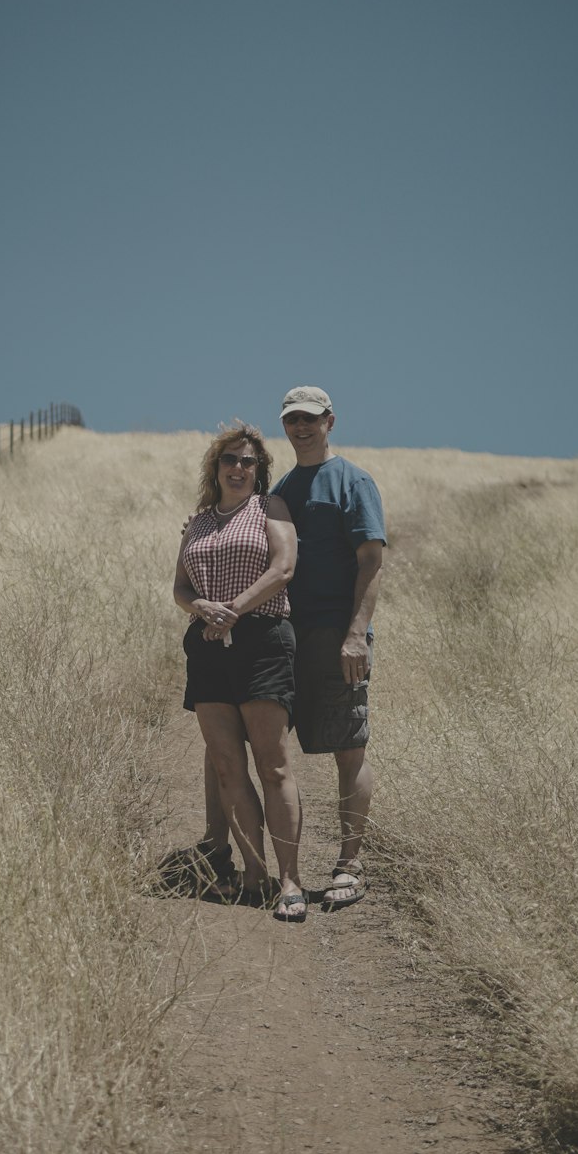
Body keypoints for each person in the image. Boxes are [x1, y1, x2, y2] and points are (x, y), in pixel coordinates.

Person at [193, 387, 386, 910]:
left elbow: (370, 559)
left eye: (311, 419)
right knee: (231, 749)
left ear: (330, 422)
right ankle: (217, 852)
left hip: (333, 633)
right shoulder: (278, 489)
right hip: (278, 637)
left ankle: (349, 863)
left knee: (348, 744)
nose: (301, 427)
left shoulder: (352, 480)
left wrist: (355, 632)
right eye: (292, 420)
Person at [173, 422, 308, 922]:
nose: (238, 468)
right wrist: (202, 607)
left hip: (263, 641)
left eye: (248, 461)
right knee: (227, 764)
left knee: (273, 765)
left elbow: (283, 568)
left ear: (260, 470)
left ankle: (290, 879)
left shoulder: (271, 509)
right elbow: (180, 587)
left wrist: (234, 608)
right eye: (229, 459)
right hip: (207, 646)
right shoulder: (199, 522)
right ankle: (254, 874)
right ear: (216, 467)